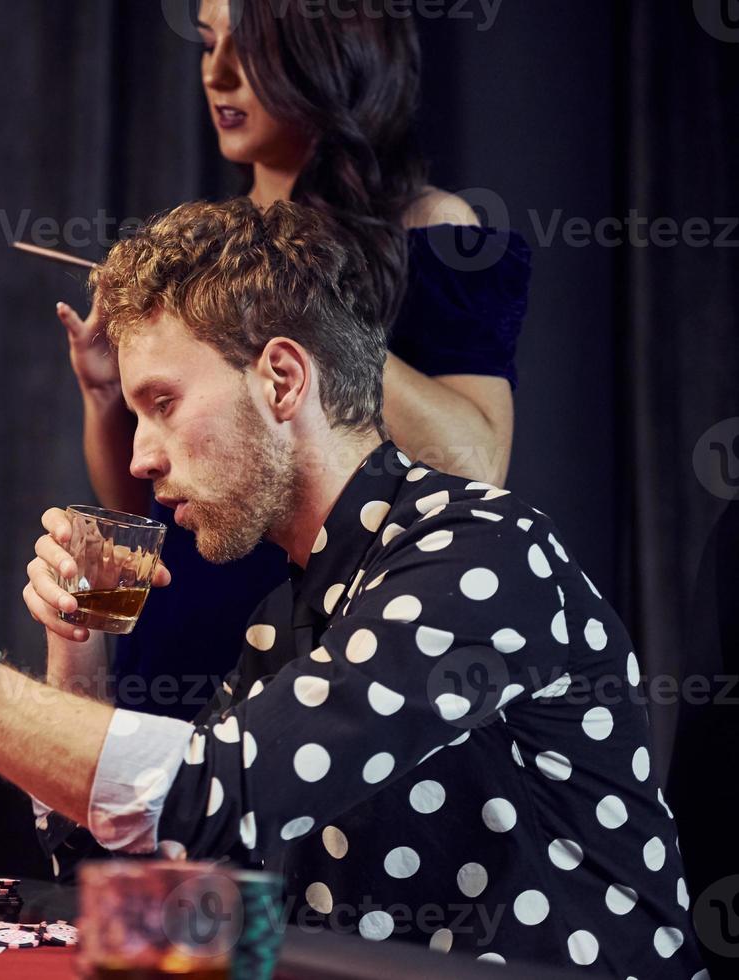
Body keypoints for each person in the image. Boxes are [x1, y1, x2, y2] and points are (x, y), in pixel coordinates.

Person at [0, 200, 700, 974]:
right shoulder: (288, 609)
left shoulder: (479, 551)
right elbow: (133, 850)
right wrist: (79, 652)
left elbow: (220, 795)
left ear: (282, 379)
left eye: (162, 402)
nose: (142, 455)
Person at [57, 0, 531, 721]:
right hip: (178, 634)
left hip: (329, 636)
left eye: (247, 48)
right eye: (208, 45)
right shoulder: (214, 246)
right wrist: (105, 399)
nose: (216, 75)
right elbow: (146, 499)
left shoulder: (432, 229)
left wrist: (292, 299)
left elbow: (476, 466)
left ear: (331, 52)